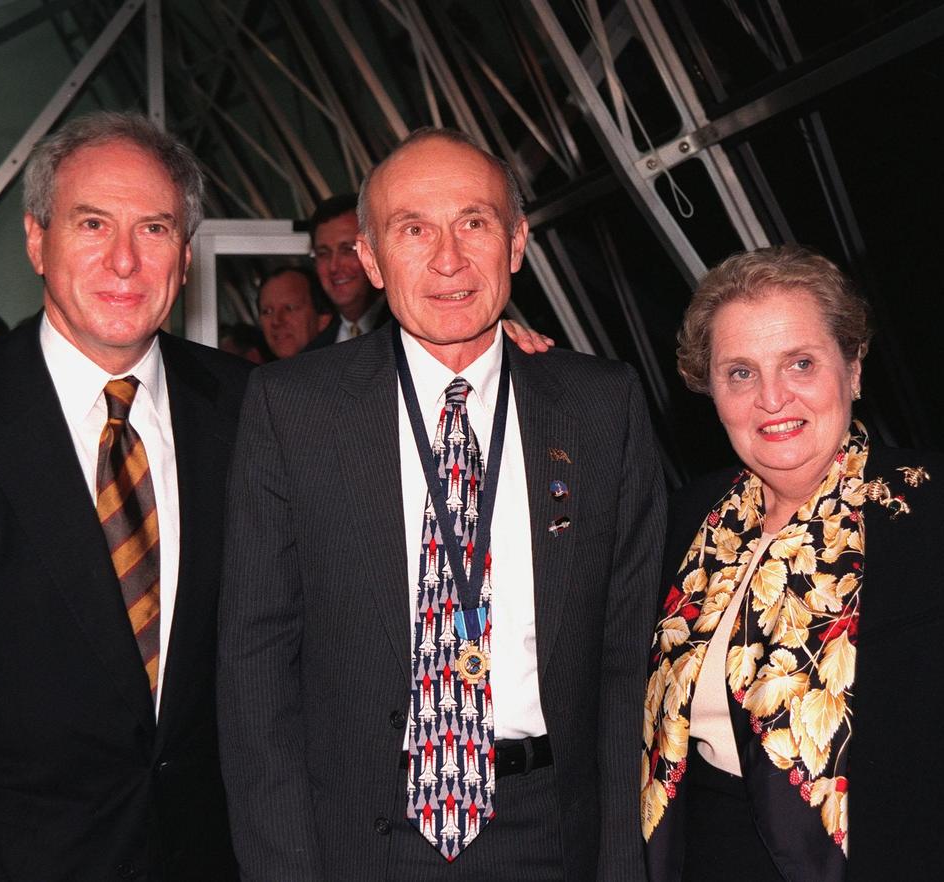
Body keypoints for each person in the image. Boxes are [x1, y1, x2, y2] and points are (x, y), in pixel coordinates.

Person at [219, 128, 664, 881]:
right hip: (361, 840)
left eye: (475, 223)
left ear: (517, 243)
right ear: (369, 259)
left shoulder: (600, 407)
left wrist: (622, 861)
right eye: (413, 229)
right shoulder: (292, 411)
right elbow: (255, 669)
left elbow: (629, 665)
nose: (449, 259)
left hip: (551, 832)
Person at [0, 111, 247, 881]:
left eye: (154, 229)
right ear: (36, 239)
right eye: (92, 223)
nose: (124, 261)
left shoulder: (251, 410)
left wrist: (507, 362)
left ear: (184, 257)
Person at [641, 246, 944, 881]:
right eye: (740, 372)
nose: (772, 397)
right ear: (709, 388)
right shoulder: (686, 521)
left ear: (852, 369)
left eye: (800, 363)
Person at [303, 192, 389, 347]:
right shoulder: (314, 354)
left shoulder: (413, 335)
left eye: (349, 249)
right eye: (323, 253)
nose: (334, 266)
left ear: (376, 252)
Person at [256, 265, 332, 359]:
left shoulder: (347, 369)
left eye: (289, 308)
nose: (276, 321)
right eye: (267, 312)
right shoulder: (260, 373)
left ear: (323, 319)